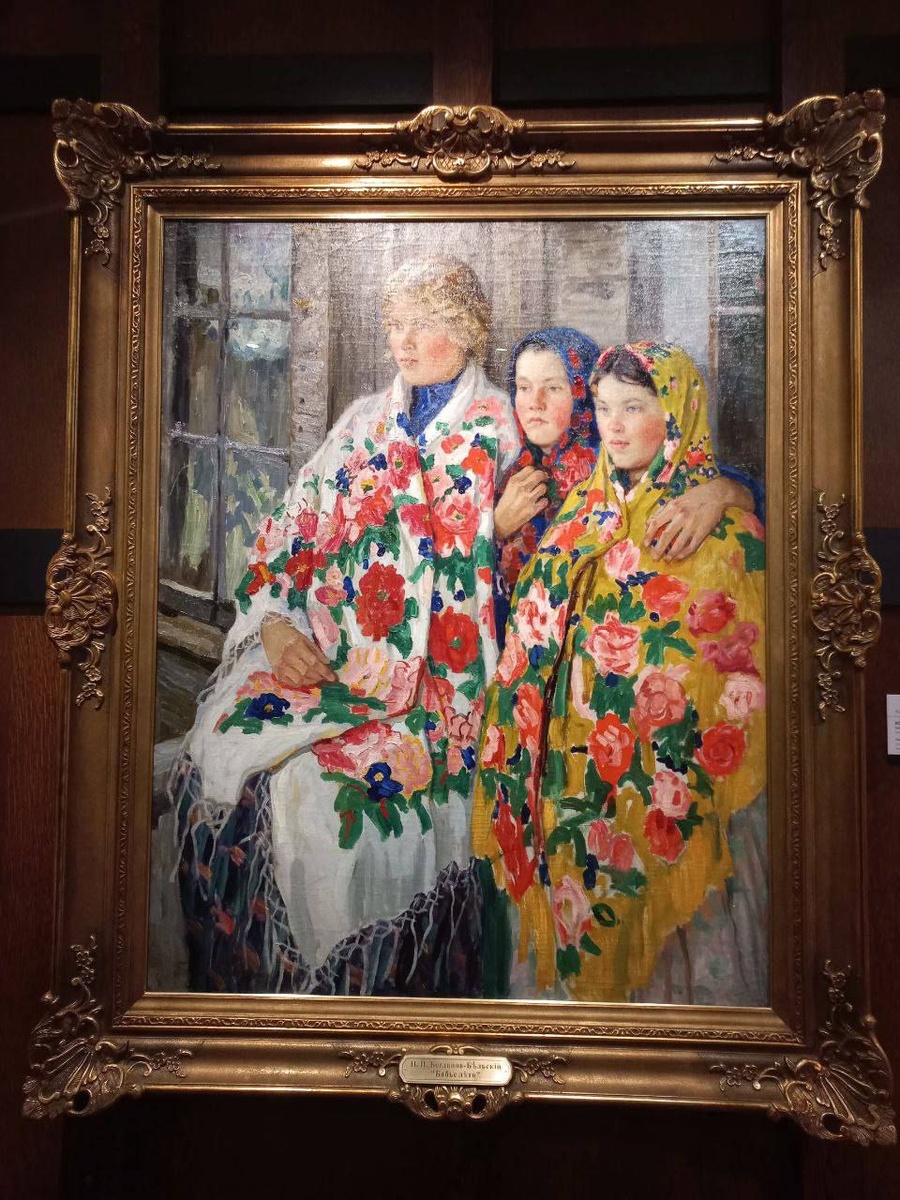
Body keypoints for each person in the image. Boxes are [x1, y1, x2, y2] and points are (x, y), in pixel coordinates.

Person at [173, 257, 519, 996]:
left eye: (423, 324)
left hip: (439, 690)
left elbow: (528, 556)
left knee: (324, 807)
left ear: (466, 331)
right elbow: (294, 528)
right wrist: (274, 627)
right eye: (394, 324)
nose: (403, 341)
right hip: (337, 659)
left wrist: (493, 529)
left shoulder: (502, 428)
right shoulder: (364, 420)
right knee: (224, 743)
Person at [473, 342, 766, 1003]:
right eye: (604, 407)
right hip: (566, 775)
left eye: (634, 408)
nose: (614, 425)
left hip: (662, 783)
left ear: (676, 414)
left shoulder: (724, 530)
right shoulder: (581, 511)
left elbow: (730, 676)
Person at [492, 327, 758, 645]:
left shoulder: (626, 465)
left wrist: (725, 491)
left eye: (553, 387)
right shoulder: (510, 475)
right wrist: (495, 529)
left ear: (582, 394)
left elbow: (726, 484)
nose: (535, 403)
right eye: (523, 387)